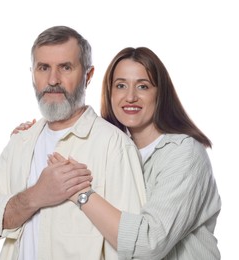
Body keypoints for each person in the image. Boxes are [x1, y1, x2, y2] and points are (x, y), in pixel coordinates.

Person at [15, 46, 221, 259]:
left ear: (160, 93)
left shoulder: (184, 154)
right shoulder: (112, 148)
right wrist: (32, 137)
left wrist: (79, 192)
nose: (130, 97)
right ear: (109, 92)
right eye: (121, 85)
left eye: (143, 86)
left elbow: (148, 243)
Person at [0, 26, 146, 260]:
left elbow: (134, 247)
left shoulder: (114, 146)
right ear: (32, 73)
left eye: (65, 67)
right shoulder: (20, 142)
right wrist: (36, 196)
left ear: (89, 75)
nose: (53, 80)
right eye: (44, 68)